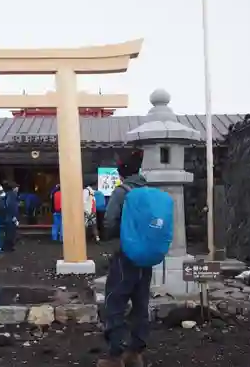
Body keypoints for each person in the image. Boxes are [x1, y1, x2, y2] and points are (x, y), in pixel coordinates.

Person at [98, 154, 150, 367]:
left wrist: (112, 234)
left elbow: (109, 222)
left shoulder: (122, 192)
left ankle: (115, 355)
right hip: (147, 255)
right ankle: (136, 353)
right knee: (141, 302)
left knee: (115, 301)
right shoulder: (150, 192)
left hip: (126, 254)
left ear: (121, 172)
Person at [1, 181, 20, 252]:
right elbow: (12, 207)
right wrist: (14, 217)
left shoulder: (7, 194)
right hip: (10, 216)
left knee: (9, 232)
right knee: (10, 233)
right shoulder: (12, 195)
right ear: (14, 188)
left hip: (7, 216)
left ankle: (8, 246)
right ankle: (8, 247)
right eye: (17, 187)